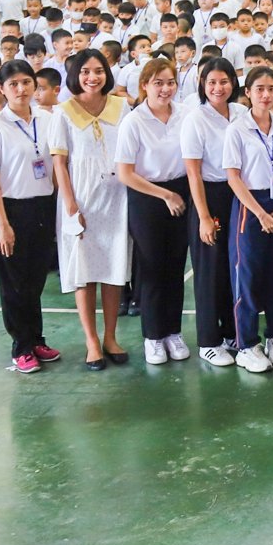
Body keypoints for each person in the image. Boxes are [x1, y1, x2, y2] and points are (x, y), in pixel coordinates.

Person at [0, 59, 63, 373]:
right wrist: (2, 224)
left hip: (43, 205)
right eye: (13, 84)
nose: (21, 89)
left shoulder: (47, 118)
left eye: (27, 82)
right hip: (12, 208)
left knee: (36, 278)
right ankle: (21, 346)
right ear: (2, 89)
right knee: (14, 282)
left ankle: (37, 338)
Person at [50, 49, 130, 370]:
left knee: (113, 267)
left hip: (116, 197)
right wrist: (70, 203)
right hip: (80, 198)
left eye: (98, 70)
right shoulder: (64, 111)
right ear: (75, 75)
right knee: (83, 271)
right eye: (85, 71)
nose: (92, 77)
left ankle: (111, 336)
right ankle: (91, 341)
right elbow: (59, 160)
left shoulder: (122, 107)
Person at [116, 57, 194, 364]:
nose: (165, 89)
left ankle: (173, 331)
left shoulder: (186, 115)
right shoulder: (134, 122)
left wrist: (178, 195)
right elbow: (125, 173)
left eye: (170, 82)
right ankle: (152, 336)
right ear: (145, 86)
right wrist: (165, 195)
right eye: (158, 83)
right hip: (148, 197)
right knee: (151, 268)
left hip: (180, 193)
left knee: (175, 267)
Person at [222, 65, 273, 374]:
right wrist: (260, 213)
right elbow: (233, 177)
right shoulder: (237, 129)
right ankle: (247, 344)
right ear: (248, 93)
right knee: (248, 277)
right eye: (259, 89)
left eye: (270, 89)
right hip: (250, 208)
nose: (266, 95)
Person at [179, 59, 241, 366]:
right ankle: (208, 339)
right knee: (209, 270)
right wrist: (204, 216)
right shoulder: (195, 119)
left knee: (233, 268)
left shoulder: (241, 113)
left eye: (224, 81)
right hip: (209, 195)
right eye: (212, 82)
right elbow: (193, 173)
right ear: (203, 84)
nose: (219, 88)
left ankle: (231, 331)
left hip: (238, 195)